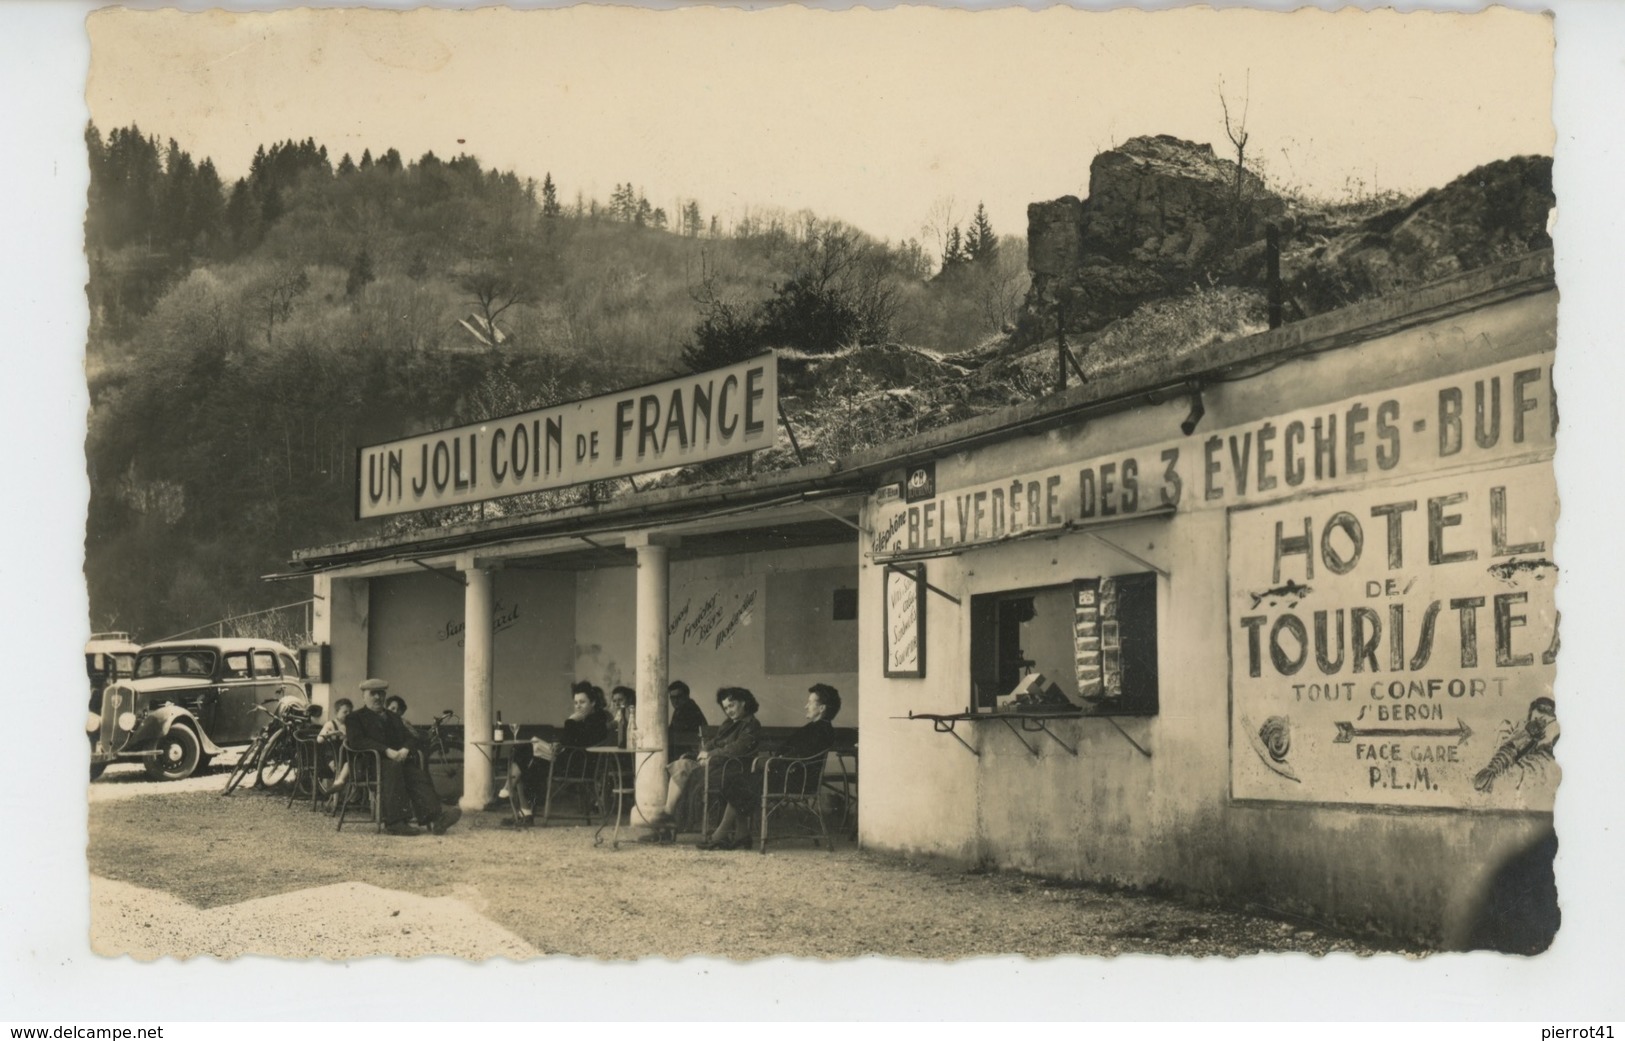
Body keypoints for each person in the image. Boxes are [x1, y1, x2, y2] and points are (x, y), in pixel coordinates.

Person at [701, 684, 840, 850]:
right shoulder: (814, 728)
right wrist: (776, 759)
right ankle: (741, 835)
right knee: (737, 780)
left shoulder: (822, 730)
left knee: (741, 782)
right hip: (789, 774)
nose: (806, 706)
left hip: (797, 779)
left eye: (810, 702)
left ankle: (721, 835)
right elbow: (791, 752)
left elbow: (800, 757)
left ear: (822, 708)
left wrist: (774, 761)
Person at [344, 678, 461, 837]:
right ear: (363, 696)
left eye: (381, 694)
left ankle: (436, 818)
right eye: (373, 694)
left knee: (414, 771)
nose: (378, 697)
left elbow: (410, 737)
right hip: (369, 765)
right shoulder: (355, 718)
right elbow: (357, 741)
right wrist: (386, 750)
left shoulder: (393, 717)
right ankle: (395, 823)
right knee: (394, 767)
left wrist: (405, 749)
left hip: (395, 763)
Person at [643, 686, 760, 841]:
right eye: (725, 708)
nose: (729, 711)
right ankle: (667, 818)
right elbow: (714, 742)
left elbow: (738, 748)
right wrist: (704, 750)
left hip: (731, 768)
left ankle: (666, 826)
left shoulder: (750, 724)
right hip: (715, 764)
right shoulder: (728, 723)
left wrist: (710, 755)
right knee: (681, 765)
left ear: (743, 703)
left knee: (686, 771)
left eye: (732, 705)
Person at [502, 681, 611, 826]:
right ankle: (521, 806)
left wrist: (570, 721)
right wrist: (558, 745)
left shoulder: (597, 721)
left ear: (593, 703)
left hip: (579, 767)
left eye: (582, 702)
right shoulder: (583, 720)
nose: (578, 706)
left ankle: (521, 806)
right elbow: (569, 741)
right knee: (523, 750)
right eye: (576, 702)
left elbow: (577, 743)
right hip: (569, 760)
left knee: (526, 759)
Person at [317, 697, 353, 795]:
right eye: (345, 712)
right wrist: (332, 733)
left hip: (345, 755)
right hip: (332, 756)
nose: (348, 714)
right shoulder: (330, 724)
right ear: (337, 712)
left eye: (350, 712)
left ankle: (349, 794)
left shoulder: (350, 725)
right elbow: (319, 739)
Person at [666, 679, 708, 759]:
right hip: (682, 747)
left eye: (679, 697)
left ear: (686, 696)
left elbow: (678, 732)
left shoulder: (689, 709)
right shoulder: (679, 709)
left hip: (691, 752)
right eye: (672, 697)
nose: (675, 701)